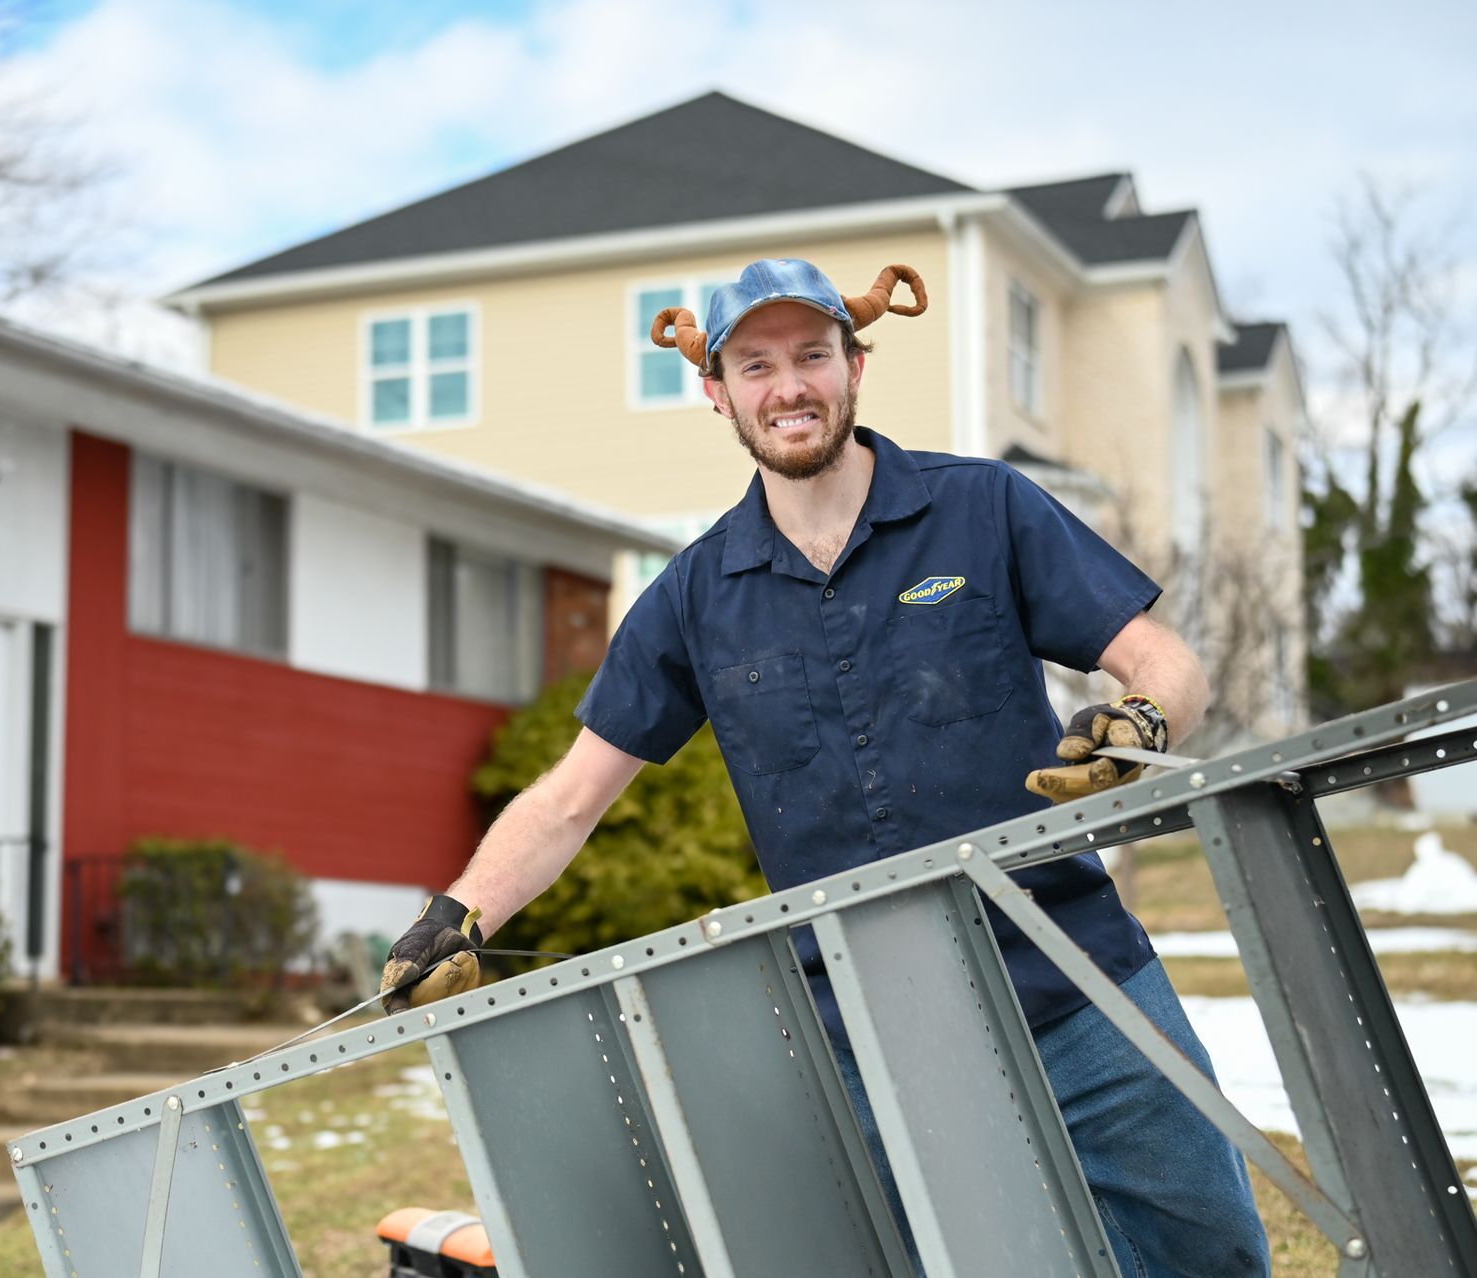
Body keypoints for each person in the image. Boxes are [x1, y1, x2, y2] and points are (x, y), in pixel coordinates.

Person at [381, 257, 1270, 1277]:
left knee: (1211, 1256)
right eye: (755, 365)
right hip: (869, 1038)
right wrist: (458, 912)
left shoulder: (984, 508)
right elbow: (573, 796)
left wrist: (1142, 721)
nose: (788, 386)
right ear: (716, 392)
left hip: (1079, 984)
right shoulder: (696, 594)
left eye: (812, 354)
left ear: (855, 365)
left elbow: (1165, 661)